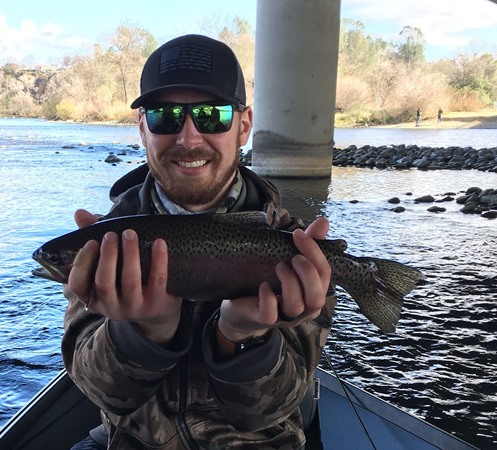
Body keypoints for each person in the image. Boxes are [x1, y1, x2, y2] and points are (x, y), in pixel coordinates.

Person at [62, 34, 335, 450]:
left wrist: (241, 338)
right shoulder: (111, 243)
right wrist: (145, 333)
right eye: (165, 117)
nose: (189, 139)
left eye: (211, 115)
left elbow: (270, 411)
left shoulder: (296, 251)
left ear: (243, 126)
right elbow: (100, 394)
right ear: (142, 128)